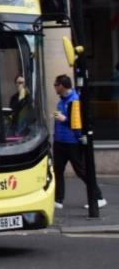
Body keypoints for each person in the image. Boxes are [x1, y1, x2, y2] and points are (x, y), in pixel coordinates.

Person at [52, 74, 106, 209]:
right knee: (57, 170)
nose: (54, 87)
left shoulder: (75, 101)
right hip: (60, 142)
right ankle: (58, 200)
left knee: (81, 171)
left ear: (62, 86)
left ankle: (98, 197)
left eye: (56, 85)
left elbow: (80, 123)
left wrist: (64, 119)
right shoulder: (62, 100)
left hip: (72, 143)